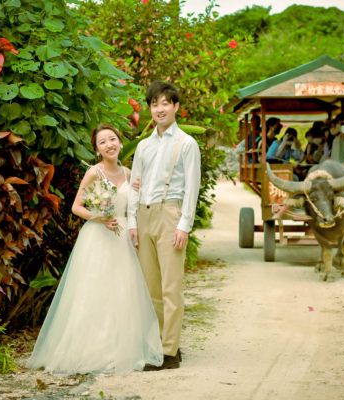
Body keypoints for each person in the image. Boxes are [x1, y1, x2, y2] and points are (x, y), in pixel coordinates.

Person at [27, 124, 163, 376]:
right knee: (94, 290)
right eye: (103, 142)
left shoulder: (129, 173)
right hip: (98, 235)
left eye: (113, 139)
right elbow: (76, 207)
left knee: (123, 290)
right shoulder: (94, 173)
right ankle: (91, 349)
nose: (109, 144)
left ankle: (120, 348)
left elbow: (134, 206)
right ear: (97, 149)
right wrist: (99, 217)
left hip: (122, 235)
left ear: (120, 142)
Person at [128, 81, 201, 370]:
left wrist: (184, 225)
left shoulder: (187, 143)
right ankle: (159, 344)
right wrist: (132, 221)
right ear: (150, 108)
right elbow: (135, 185)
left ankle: (170, 351)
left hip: (170, 213)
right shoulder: (143, 146)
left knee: (171, 287)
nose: (160, 109)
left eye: (165, 103)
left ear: (176, 107)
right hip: (144, 215)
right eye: (154, 104)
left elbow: (192, 187)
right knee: (151, 288)